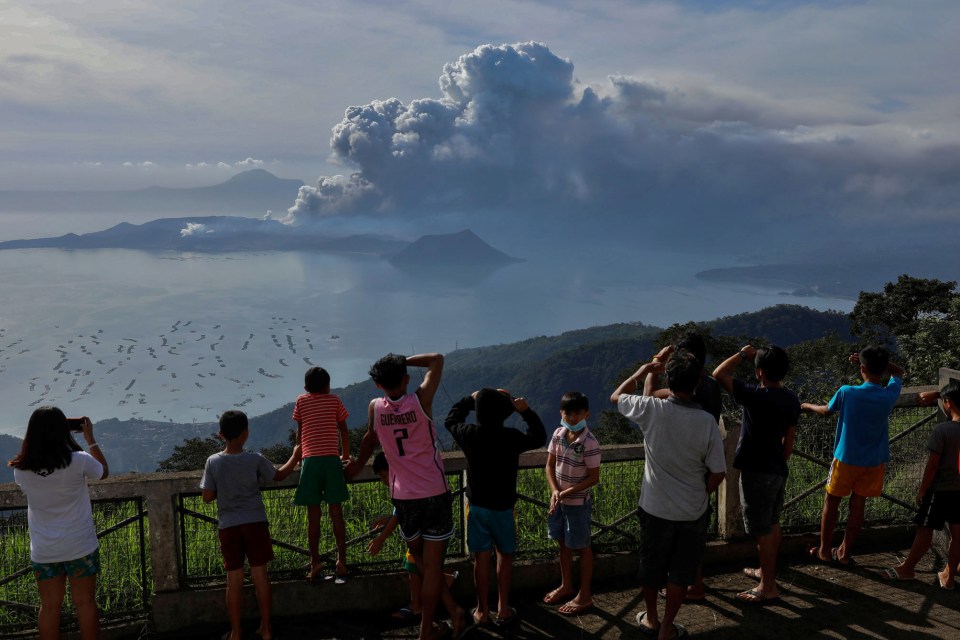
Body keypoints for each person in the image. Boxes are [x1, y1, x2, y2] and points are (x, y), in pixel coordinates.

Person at [346, 352, 466, 640]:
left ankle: (451, 614)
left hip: (403, 497)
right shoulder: (420, 401)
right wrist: (402, 360)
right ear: (406, 379)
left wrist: (355, 467)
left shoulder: (375, 407)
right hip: (434, 493)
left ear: (378, 385)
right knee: (433, 566)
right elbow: (436, 359)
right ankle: (428, 630)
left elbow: (368, 440)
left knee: (421, 562)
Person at [611, 349, 726, 640]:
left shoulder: (652, 409)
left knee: (651, 566)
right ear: (696, 384)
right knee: (681, 571)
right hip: (692, 511)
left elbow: (616, 397)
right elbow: (718, 472)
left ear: (669, 380)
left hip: (654, 507)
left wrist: (644, 369)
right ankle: (667, 628)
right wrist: (701, 492)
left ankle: (651, 618)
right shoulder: (707, 423)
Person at [446, 388, 547, 626]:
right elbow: (539, 437)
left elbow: (451, 419)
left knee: (480, 559)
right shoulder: (511, 437)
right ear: (506, 413)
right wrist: (526, 411)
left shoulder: (469, 434)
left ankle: (481, 611)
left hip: (478, 508)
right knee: (505, 556)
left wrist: (470, 399)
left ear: (477, 411)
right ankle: (502, 608)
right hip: (504, 508)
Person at [200, 410, 301, 640]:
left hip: (228, 525)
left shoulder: (213, 461)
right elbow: (278, 475)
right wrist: (295, 456)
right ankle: (266, 630)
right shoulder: (254, 459)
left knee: (233, 580)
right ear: (246, 434)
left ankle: (235, 633)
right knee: (260, 576)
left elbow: (207, 496)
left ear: (220, 435)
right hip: (255, 522)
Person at [9, 407, 109, 640]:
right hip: (80, 546)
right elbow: (103, 472)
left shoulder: (20, 470)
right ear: (63, 431)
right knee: (85, 604)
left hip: (45, 550)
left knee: (49, 607)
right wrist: (90, 439)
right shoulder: (79, 460)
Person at [801, 345, 904, 566]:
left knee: (832, 501)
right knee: (858, 506)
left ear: (862, 368)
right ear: (882, 368)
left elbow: (827, 410)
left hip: (846, 458)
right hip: (874, 461)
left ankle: (824, 551)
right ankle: (845, 553)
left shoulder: (848, 391)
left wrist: (808, 406)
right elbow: (899, 372)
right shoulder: (889, 394)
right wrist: (876, 364)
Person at [713, 345, 799, 604]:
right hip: (777, 469)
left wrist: (741, 355)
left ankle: (768, 586)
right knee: (772, 523)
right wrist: (775, 461)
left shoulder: (754, 396)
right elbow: (789, 444)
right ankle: (766, 572)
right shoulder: (791, 399)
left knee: (762, 531)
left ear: (760, 372)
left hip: (756, 472)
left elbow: (719, 374)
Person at [643, 332, 721, 601]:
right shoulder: (711, 384)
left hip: (680, 471)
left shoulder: (693, 387)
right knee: (694, 538)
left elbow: (649, 395)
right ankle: (695, 585)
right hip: (705, 464)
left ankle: (684, 586)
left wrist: (656, 363)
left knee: (676, 542)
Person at [879, 380, 960, 587]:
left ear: (948, 403)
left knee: (925, 530)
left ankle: (907, 569)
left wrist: (923, 489)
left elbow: (932, 466)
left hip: (939, 491)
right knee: (958, 534)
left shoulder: (942, 431)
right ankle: (949, 577)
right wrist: (938, 393)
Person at [367, 452, 459, 623]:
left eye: (382, 476)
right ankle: (438, 589)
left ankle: (421, 605)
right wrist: (389, 519)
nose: (382, 481)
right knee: (417, 563)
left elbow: (399, 515)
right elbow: (399, 513)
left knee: (415, 562)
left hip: (425, 529)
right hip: (434, 526)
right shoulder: (411, 478)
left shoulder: (401, 487)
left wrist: (381, 539)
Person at [543, 391, 600, 616]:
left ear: (587, 413)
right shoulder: (558, 434)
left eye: (578, 413)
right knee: (563, 544)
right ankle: (567, 586)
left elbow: (594, 477)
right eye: (569, 413)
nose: (573, 418)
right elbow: (549, 466)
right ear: (561, 413)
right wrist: (555, 491)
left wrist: (568, 491)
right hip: (559, 501)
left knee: (583, 548)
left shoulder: (590, 442)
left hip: (577, 505)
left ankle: (585, 595)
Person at [291, 366, 351, 581]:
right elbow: (343, 430)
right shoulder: (334, 400)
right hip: (332, 461)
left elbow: (300, 431)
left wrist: (299, 456)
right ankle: (341, 562)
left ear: (306, 387)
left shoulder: (301, 401)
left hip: (310, 462)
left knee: (313, 518)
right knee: (337, 514)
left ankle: (315, 563)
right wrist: (345, 456)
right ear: (327, 385)